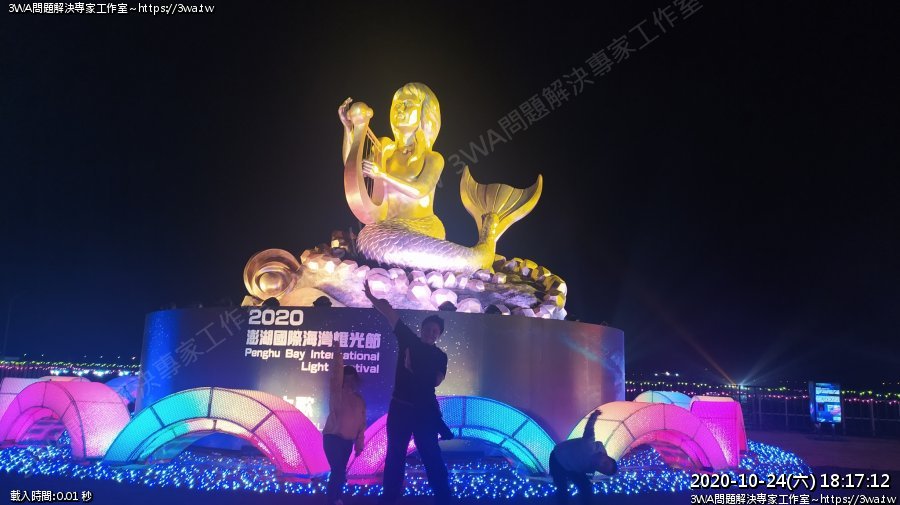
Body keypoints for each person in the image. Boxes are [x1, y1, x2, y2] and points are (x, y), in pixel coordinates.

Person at [363, 284, 452, 505]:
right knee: (395, 456)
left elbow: (436, 381)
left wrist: (414, 370)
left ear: (439, 335)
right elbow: (391, 314)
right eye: (428, 329)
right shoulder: (409, 340)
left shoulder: (440, 356)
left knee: (431, 455)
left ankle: (443, 499)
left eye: (435, 331)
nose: (431, 333)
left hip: (425, 412)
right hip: (400, 408)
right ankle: (389, 499)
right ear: (422, 329)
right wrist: (371, 298)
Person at [321, 340, 367, 505]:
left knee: (340, 471)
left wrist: (359, 445)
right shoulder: (337, 393)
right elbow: (335, 375)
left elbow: (361, 425)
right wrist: (338, 354)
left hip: (347, 442)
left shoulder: (360, 400)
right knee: (338, 470)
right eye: (345, 378)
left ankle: (336, 498)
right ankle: (334, 499)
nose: (349, 381)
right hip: (332, 438)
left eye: (352, 378)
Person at [549, 409, 617, 505]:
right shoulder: (589, 446)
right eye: (605, 463)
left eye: (602, 469)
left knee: (586, 487)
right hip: (558, 458)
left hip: (573, 467)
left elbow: (584, 475)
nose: (600, 466)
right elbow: (589, 429)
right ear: (605, 456)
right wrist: (594, 416)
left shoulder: (593, 466)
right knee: (562, 488)